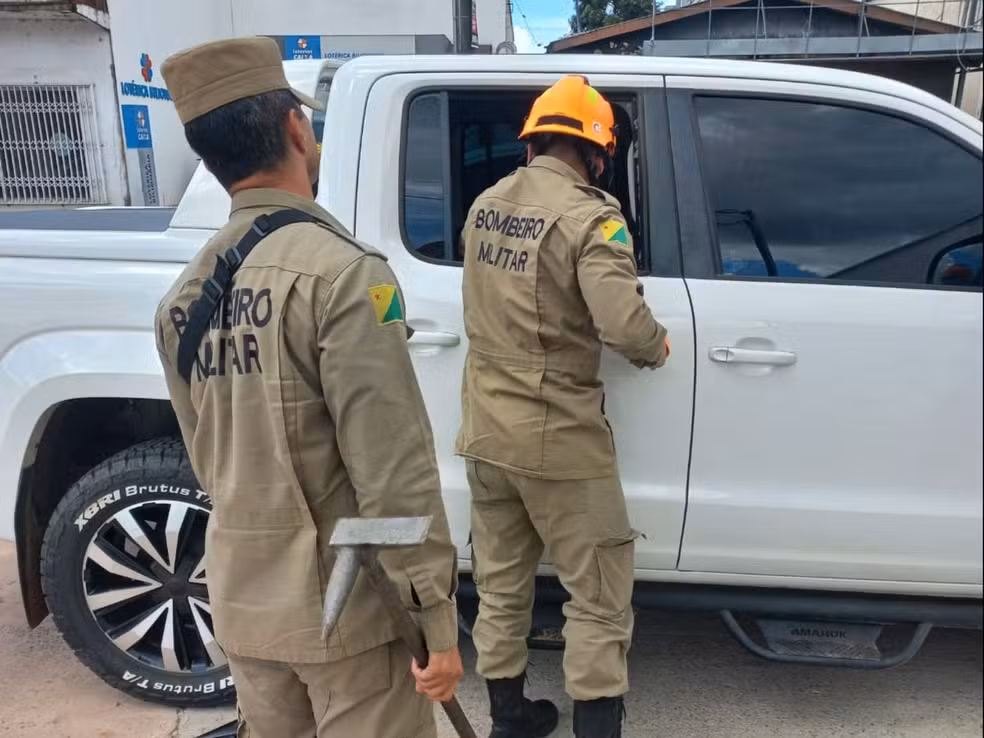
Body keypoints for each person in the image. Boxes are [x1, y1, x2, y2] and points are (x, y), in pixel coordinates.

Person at [155, 37, 462, 738]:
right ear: (297, 129)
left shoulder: (182, 299)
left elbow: (209, 460)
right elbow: (394, 473)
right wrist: (436, 623)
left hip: (244, 603)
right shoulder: (347, 274)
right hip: (347, 615)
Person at [456, 75, 670, 738]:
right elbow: (625, 326)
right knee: (599, 594)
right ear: (598, 155)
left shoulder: (486, 205)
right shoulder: (593, 218)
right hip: (558, 438)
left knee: (500, 587)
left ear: (533, 144)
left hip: (485, 433)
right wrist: (657, 344)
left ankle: (509, 720)